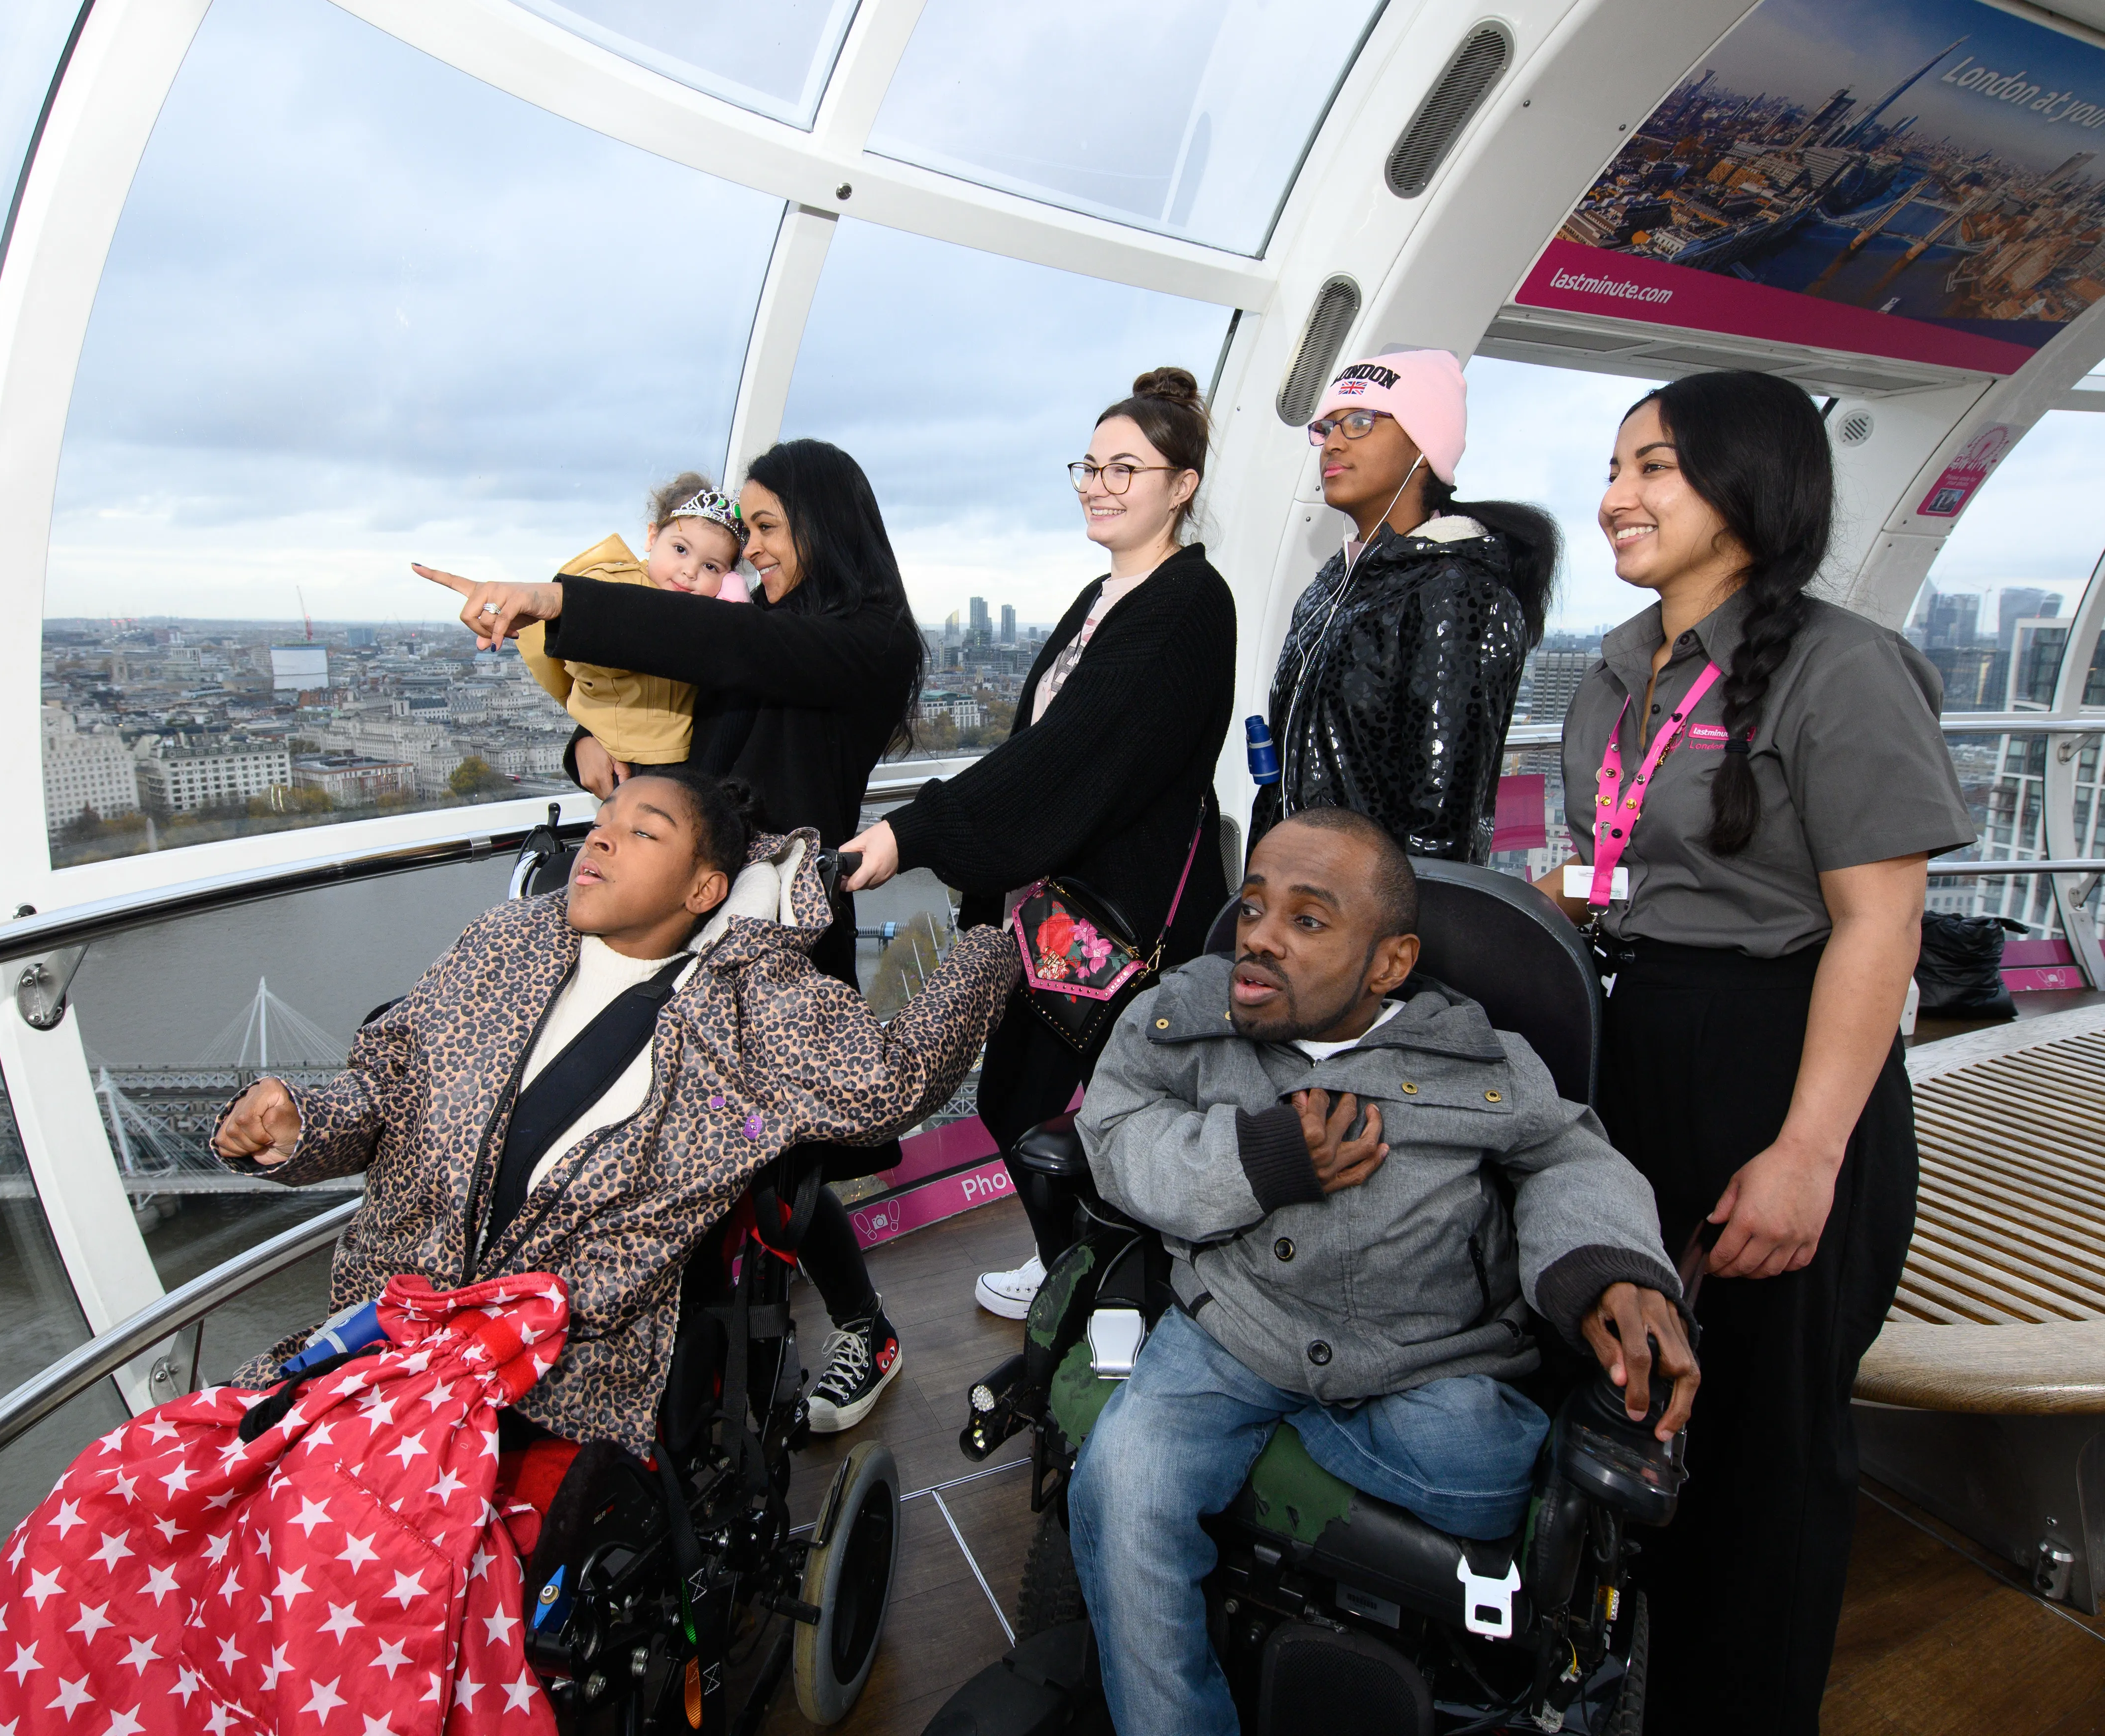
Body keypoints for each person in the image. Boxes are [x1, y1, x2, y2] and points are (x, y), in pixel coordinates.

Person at [1533, 371, 1973, 1736]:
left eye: (1656, 467)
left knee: (1767, 1456)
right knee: (1637, 1406)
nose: (1617, 495)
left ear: (1750, 485)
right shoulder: (1614, 663)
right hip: (1636, 1044)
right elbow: (1629, 859)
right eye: (1613, 465)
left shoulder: (1843, 665)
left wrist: (1803, 1153)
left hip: (1782, 1060)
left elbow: (1876, 924)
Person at [1070, 807, 1699, 1736]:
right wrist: (1262, 1159)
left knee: (1500, 1487)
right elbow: (1117, 1133)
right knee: (1119, 1488)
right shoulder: (1179, 1020)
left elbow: (1571, 1161)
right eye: (1250, 908)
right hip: (1231, 1332)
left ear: (1390, 964)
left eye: (1306, 920)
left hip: (1423, 1354)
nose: (1259, 940)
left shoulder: (1476, 1061)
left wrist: (1608, 1272)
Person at [211, 768, 1019, 1458]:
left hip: (561, 1374)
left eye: (643, 833)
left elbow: (891, 1084)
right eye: (601, 823)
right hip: (383, 1331)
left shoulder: (753, 1010)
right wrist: (300, 1126)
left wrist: (993, 939)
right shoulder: (498, 947)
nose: (598, 840)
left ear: (706, 888)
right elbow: (389, 1089)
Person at [419, 443, 927, 1433]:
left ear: (824, 525)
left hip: (781, 933)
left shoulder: (866, 640)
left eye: (768, 528)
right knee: (693, 1155)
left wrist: (559, 599)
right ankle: (691, 1380)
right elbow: (667, 718)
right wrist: (582, 747)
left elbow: (715, 646)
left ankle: (861, 1327)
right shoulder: (765, 622)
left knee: (773, 1161)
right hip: (691, 919)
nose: (754, 552)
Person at [837, 365, 1235, 1320]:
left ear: (1180, 487)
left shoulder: (1187, 601)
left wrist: (915, 830)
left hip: (1124, 911)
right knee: (1026, 1102)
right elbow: (1043, 748)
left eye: (1124, 468)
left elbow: (1073, 751)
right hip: (1060, 908)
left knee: (1052, 1105)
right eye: (1088, 466)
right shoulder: (1104, 596)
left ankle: (1106, 1294)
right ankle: (1076, 1266)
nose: (1097, 484)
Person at [1249, 349, 1559, 862]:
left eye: (1361, 422)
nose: (1334, 443)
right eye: (1326, 428)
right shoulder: (1334, 583)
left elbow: (1440, 819)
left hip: (1364, 914)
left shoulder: (1454, 591)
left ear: (1424, 445)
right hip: (1300, 890)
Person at [506, 473, 748, 778]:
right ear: (651, 537)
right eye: (681, 550)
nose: (690, 572)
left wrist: (734, 609)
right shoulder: (613, 585)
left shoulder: (711, 612)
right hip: (625, 755)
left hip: (676, 757)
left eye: (711, 567)